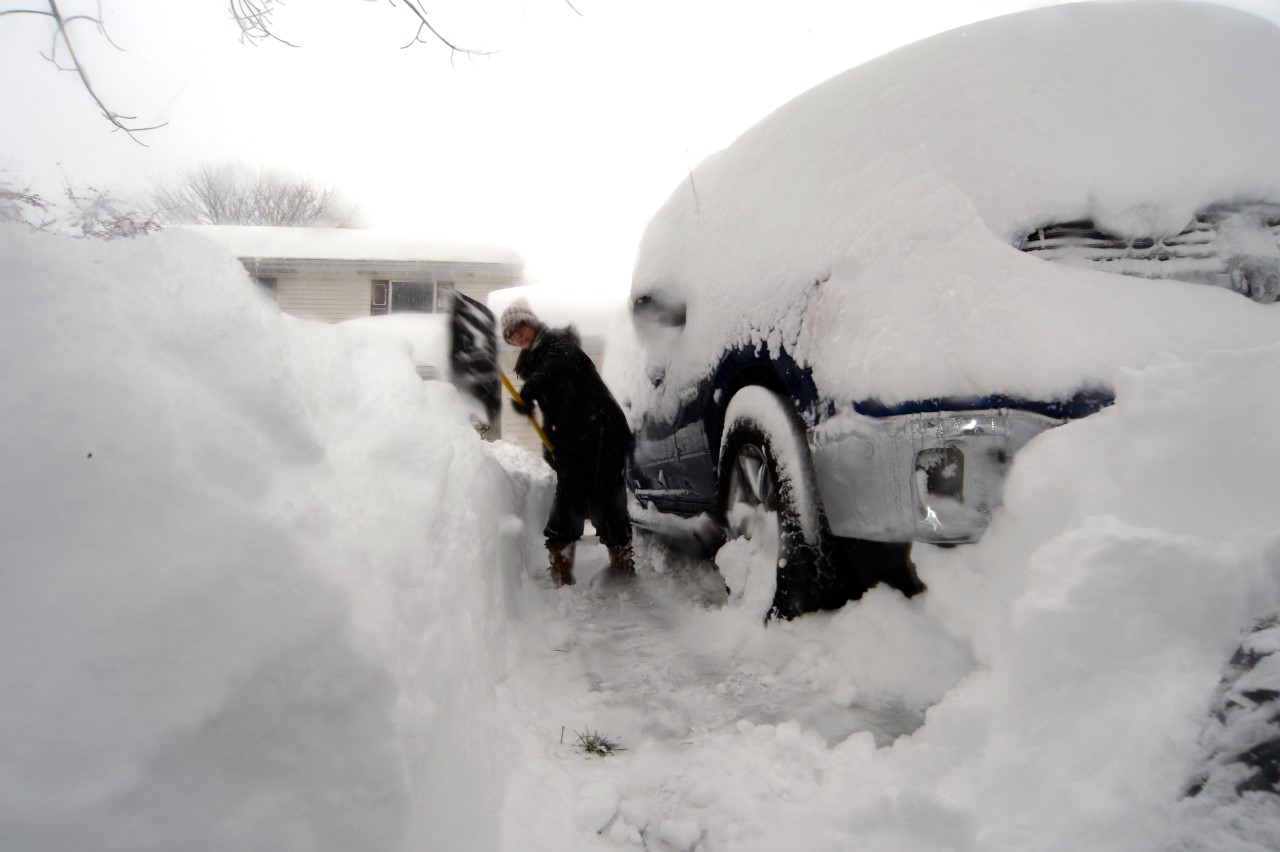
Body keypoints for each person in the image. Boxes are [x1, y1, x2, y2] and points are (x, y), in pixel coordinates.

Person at [501, 299, 634, 587]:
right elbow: (556, 410)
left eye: (519, 327)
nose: (517, 336)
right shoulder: (534, 363)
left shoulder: (559, 343)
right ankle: (561, 567)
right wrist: (552, 446)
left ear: (531, 321)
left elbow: (556, 369)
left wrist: (530, 390)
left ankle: (622, 563)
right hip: (575, 440)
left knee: (606, 496)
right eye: (511, 335)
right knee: (568, 499)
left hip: (602, 431)